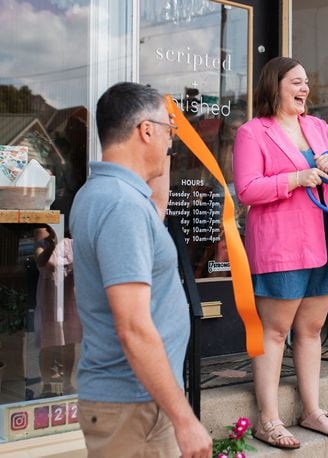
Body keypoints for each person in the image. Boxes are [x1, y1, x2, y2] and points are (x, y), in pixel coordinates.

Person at [70, 82, 211, 458]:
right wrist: (184, 418)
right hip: (133, 405)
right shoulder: (122, 207)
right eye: (169, 130)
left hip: (134, 400)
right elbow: (132, 327)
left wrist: (168, 124)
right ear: (145, 131)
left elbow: (158, 205)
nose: (172, 142)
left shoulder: (107, 192)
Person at [233, 56, 328, 449]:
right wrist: (295, 178)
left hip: (324, 241)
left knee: (311, 330)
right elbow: (247, 189)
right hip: (281, 246)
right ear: (275, 86)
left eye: (306, 83)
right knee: (273, 333)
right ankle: (267, 421)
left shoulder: (319, 127)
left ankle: (311, 410)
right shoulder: (253, 133)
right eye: (297, 82)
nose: (305, 89)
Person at [33, 226, 81, 397]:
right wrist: (53, 243)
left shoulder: (73, 244)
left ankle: (67, 382)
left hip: (69, 300)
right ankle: (46, 384)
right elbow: (41, 262)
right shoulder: (43, 245)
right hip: (50, 301)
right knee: (48, 344)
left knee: (69, 343)